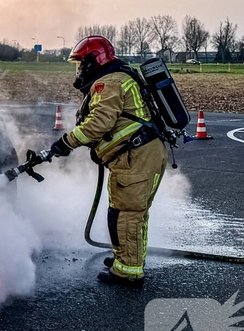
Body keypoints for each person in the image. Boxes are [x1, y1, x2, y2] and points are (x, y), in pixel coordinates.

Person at [48, 36, 167, 288]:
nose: (79, 69)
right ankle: (125, 259)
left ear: (94, 60)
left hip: (136, 158)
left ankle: (128, 272)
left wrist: (66, 142)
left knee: (128, 215)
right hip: (136, 156)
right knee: (126, 212)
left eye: (81, 63)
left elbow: (99, 123)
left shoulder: (109, 82)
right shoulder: (119, 77)